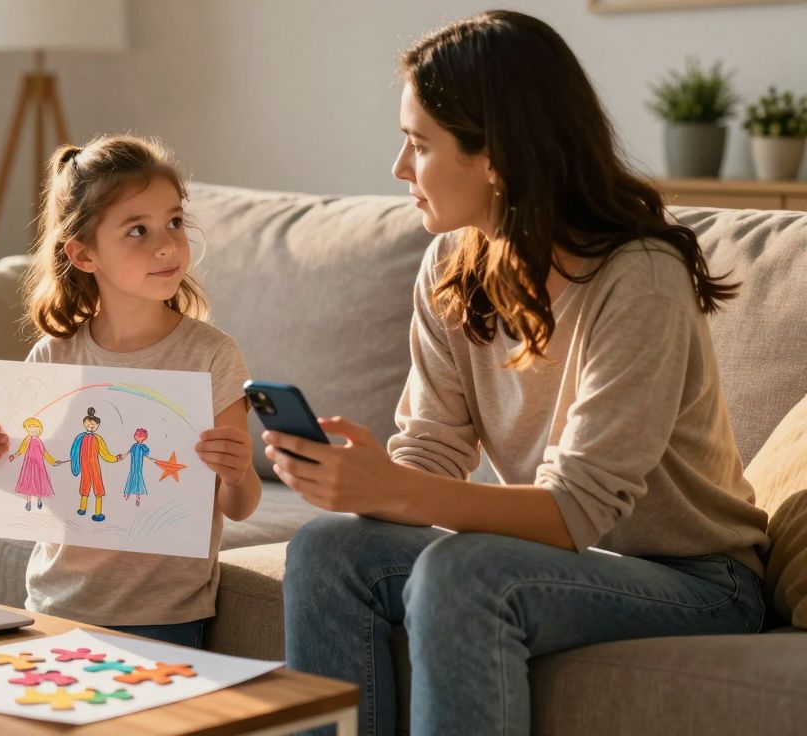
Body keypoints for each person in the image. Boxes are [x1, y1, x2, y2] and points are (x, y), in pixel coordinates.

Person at [270, 10, 769, 735]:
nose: (399, 169)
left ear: (495, 156)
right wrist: (368, 479)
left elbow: (575, 512)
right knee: (328, 548)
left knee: (463, 573)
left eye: (418, 144)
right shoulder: (451, 263)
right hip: (555, 559)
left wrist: (398, 488)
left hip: (696, 580)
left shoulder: (641, 279)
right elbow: (432, 453)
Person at [0, 134, 261, 647]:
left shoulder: (212, 356)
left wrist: (238, 471)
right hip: (55, 602)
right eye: (137, 230)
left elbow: (239, 505)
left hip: (165, 613)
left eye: (173, 222)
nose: (166, 243)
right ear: (83, 255)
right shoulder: (53, 356)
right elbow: (39, 489)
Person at [7, 417, 59, 511]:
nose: (33, 429)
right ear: (27, 429)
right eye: (30, 427)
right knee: (28, 482)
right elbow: (22, 450)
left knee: (39, 481)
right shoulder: (27, 439)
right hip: (29, 464)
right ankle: (28, 502)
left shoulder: (39, 441)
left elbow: (44, 453)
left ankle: (39, 500)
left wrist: (53, 462)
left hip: (39, 464)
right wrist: (14, 456)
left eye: (35, 426)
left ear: (39, 428)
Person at [122, 428, 152, 505]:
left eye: (140, 436)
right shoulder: (134, 445)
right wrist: (124, 456)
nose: (137, 437)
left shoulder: (143, 447)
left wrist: (152, 459)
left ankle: (137, 498)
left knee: (138, 478)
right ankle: (127, 493)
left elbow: (147, 454)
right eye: (136, 435)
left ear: (144, 437)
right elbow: (129, 452)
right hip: (133, 467)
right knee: (131, 477)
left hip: (138, 468)